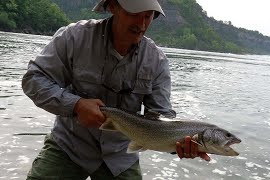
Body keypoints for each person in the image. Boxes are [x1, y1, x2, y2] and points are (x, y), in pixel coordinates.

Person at [22, 0, 210, 179]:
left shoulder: (157, 61)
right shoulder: (74, 37)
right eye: (134, 13)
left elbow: (161, 117)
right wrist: (76, 105)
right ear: (113, 6)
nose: (141, 24)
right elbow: (34, 79)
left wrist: (179, 144)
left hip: (120, 156)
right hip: (69, 145)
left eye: (148, 15)